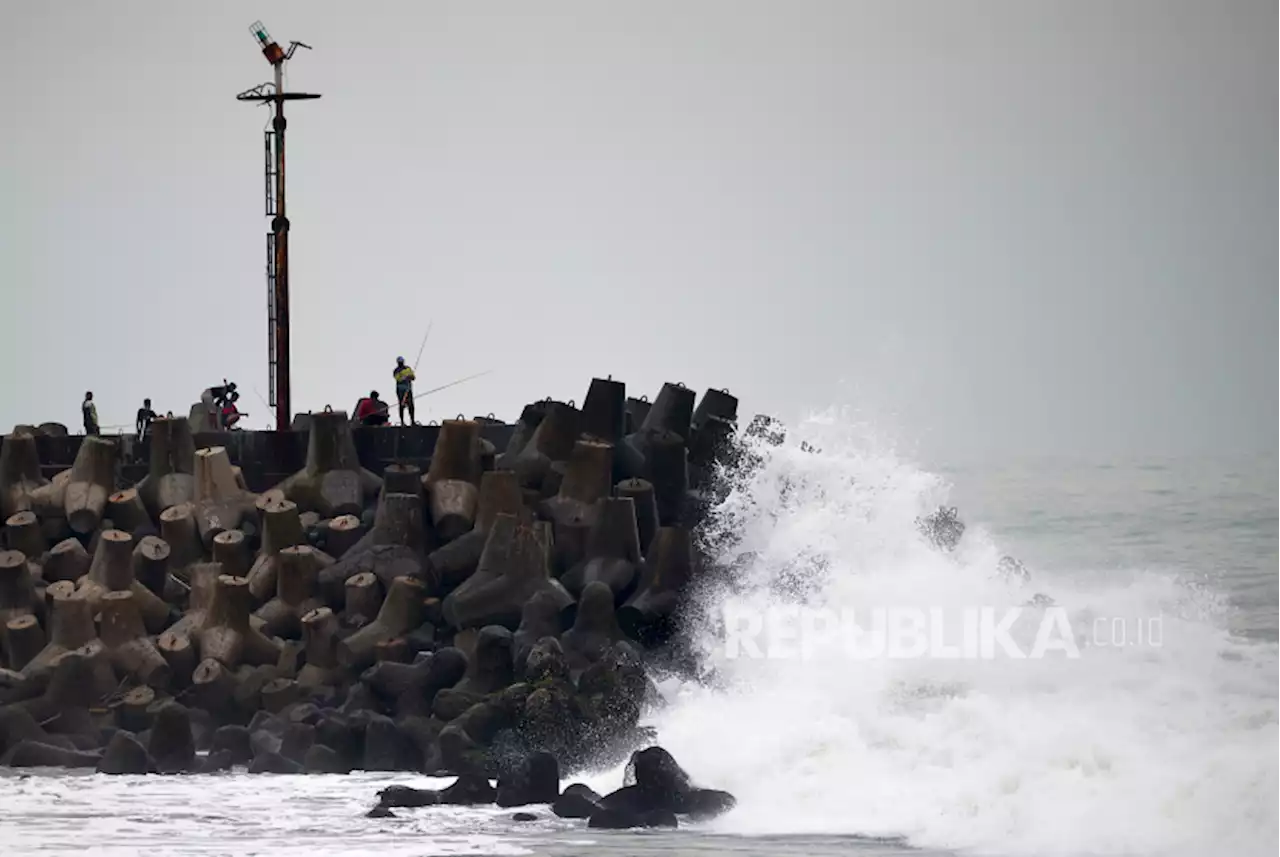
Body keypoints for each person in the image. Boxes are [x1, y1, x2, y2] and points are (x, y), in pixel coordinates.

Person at [393, 357, 417, 426]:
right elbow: (398, 379)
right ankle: (402, 422)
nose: (401, 363)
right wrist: (406, 377)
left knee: (411, 405)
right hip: (400, 390)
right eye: (399, 362)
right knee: (401, 405)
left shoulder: (408, 368)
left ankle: (412, 421)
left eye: (402, 361)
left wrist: (411, 376)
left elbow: (413, 377)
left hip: (408, 389)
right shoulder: (396, 370)